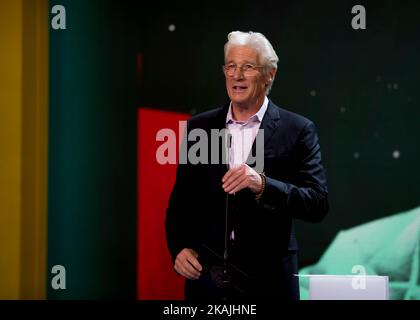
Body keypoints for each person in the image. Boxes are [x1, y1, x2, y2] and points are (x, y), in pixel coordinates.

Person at [165, 31, 328, 300]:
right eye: (231, 66)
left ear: (270, 74)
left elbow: (317, 202)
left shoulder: (297, 129)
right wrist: (179, 248)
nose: (237, 75)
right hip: (209, 283)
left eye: (248, 67)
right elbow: (181, 203)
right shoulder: (201, 128)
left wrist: (263, 184)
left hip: (269, 282)